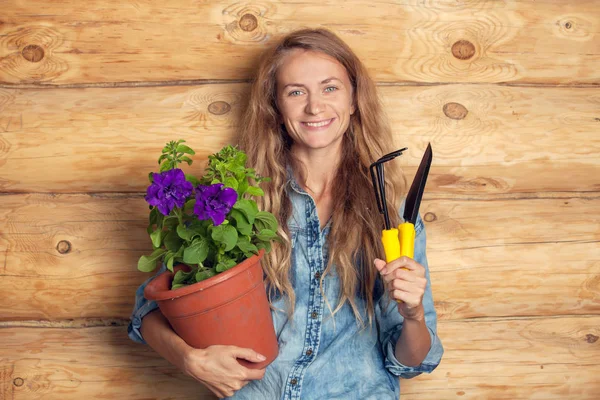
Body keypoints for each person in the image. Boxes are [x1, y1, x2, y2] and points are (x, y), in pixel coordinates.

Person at [128, 28, 443, 399]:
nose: (314, 107)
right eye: (296, 92)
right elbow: (149, 309)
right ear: (275, 107)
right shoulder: (238, 200)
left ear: (355, 98)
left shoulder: (393, 211)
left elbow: (412, 360)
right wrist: (189, 360)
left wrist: (413, 315)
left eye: (330, 88)